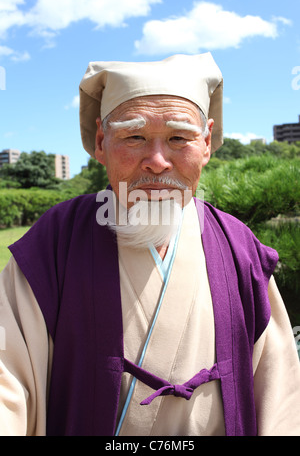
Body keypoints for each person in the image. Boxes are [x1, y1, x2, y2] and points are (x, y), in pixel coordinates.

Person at [0, 53, 299, 436]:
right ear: (100, 143)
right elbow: (8, 380)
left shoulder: (239, 247)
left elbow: (281, 393)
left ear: (206, 143)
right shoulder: (53, 245)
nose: (157, 161)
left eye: (179, 138)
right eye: (134, 136)